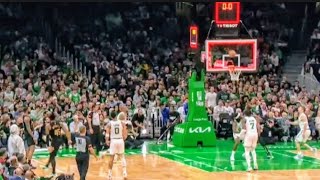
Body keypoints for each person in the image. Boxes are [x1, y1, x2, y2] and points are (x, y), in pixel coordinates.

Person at [105, 112, 128, 179]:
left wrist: (107, 140)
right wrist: (124, 136)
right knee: (122, 156)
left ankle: (109, 174)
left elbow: (107, 133)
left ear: (111, 116)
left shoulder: (110, 123)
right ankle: (124, 173)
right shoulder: (121, 122)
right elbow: (125, 130)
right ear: (116, 115)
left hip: (113, 141)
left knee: (111, 158)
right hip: (120, 140)